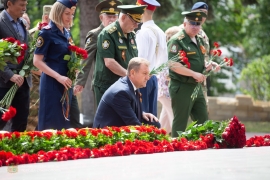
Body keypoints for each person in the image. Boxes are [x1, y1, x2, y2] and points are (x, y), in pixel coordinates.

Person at [74, 0, 122, 123]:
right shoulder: (95, 34)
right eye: (108, 17)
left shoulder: (121, 34)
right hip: (103, 83)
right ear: (101, 17)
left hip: (120, 81)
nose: (112, 20)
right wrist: (80, 81)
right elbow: (86, 58)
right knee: (104, 118)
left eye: (114, 16)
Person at [33, 0, 77, 130]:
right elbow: (37, 61)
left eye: (72, 14)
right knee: (51, 123)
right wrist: (58, 77)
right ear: (58, 13)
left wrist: (74, 70)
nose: (70, 17)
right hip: (52, 82)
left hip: (65, 82)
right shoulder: (46, 32)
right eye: (67, 14)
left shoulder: (67, 32)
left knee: (64, 122)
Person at [167, 11, 211, 137]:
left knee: (203, 121)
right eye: (192, 23)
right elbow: (173, 65)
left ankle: (203, 147)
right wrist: (193, 74)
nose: (195, 26)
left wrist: (206, 65)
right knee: (180, 122)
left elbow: (200, 59)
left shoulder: (199, 40)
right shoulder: (177, 41)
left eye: (198, 24)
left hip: (197, 87)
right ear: (184, 24)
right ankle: (176, 149)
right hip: (182, 87)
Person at [93, 4, 146, 107]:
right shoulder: (107, 34)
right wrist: (130, 77)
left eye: (138, 22)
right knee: (109, 121)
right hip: (108, 85)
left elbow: (134, 60)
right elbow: (109, 63)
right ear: (123, 17)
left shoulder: (131, 34)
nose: (136, 25)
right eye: (134, 21)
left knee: (126, 120)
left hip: (126, 84)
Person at [93, 57, 160, 128]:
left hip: (120, 127)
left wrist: (142, 113)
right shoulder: (121, 92)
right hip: (106, 133)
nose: (147, 78)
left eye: (148, 74)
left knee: (154, 123)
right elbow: (133, 123)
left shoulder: (133, 85)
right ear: (132, 73)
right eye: (144, 73)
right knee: (151, 130)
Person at [0, 0, 32, 132]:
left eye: (26, 5)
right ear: (9, 4)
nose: (24, 9)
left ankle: (16, 152)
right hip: (3, 83)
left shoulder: (22, 23)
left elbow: (27, 51)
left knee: (20, 124)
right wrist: (10, 75)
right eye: (21, 5)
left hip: (23, 83)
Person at [135, 0, 168, 117]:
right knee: (152, 117)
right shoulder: (160, 31)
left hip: (142, 78)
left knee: (141, 115)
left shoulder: (143, 32)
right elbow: (164, 59)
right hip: (154, 77)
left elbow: (140, 58)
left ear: (142, 9)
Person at [156, 26, 180, 134]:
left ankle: (158, 138)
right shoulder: (169, 51)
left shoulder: (166, 50)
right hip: (166, 90)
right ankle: (178, 138)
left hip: (164, 90)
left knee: (165, 119)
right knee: (174, 115)